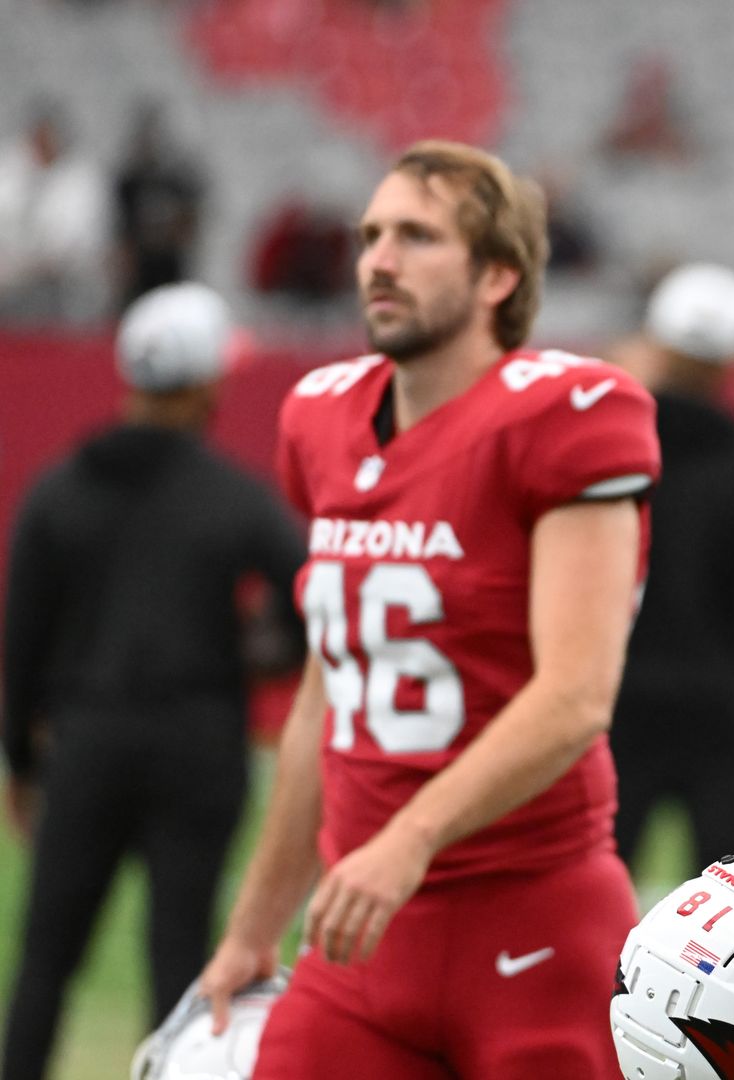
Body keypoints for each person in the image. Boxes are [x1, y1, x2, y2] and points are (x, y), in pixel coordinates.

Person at [195, 140, 661, 1078]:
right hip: (361, 934)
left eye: (415, 235)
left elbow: (575, 698)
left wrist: (408, 836)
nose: (377, 258)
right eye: (371, 235)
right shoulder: (321, 420)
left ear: (498, 274)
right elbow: (328, 701)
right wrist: (254, 926)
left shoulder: (561, 415)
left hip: (530, 919)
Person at [0, 283, 306, 1080]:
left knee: (45, 964)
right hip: (198, 744)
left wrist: (22, 766)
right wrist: (260, 654)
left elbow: (21, 643)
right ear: (207, 381)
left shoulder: (59, 489)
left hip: (87, 741)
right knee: (180, 967)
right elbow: (313, 591)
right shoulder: (231, 494)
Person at [604, 262, 734, 870]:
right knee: (724, 900)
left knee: (598, 874)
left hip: (615, 691)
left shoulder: (605, 449)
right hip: (718, 697)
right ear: (730, 362)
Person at [0, 102, 110, 323]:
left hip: (64, 283)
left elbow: (82, 236)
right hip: (11, 281)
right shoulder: (9, 170)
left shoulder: (81, 178)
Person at [112, 101, 205, 310]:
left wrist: (177, 234)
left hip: (171, 263)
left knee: (173, 309)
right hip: (140, 265)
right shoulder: (130, 180)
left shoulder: (178, 178)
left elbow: (191, 214)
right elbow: (121, 225)